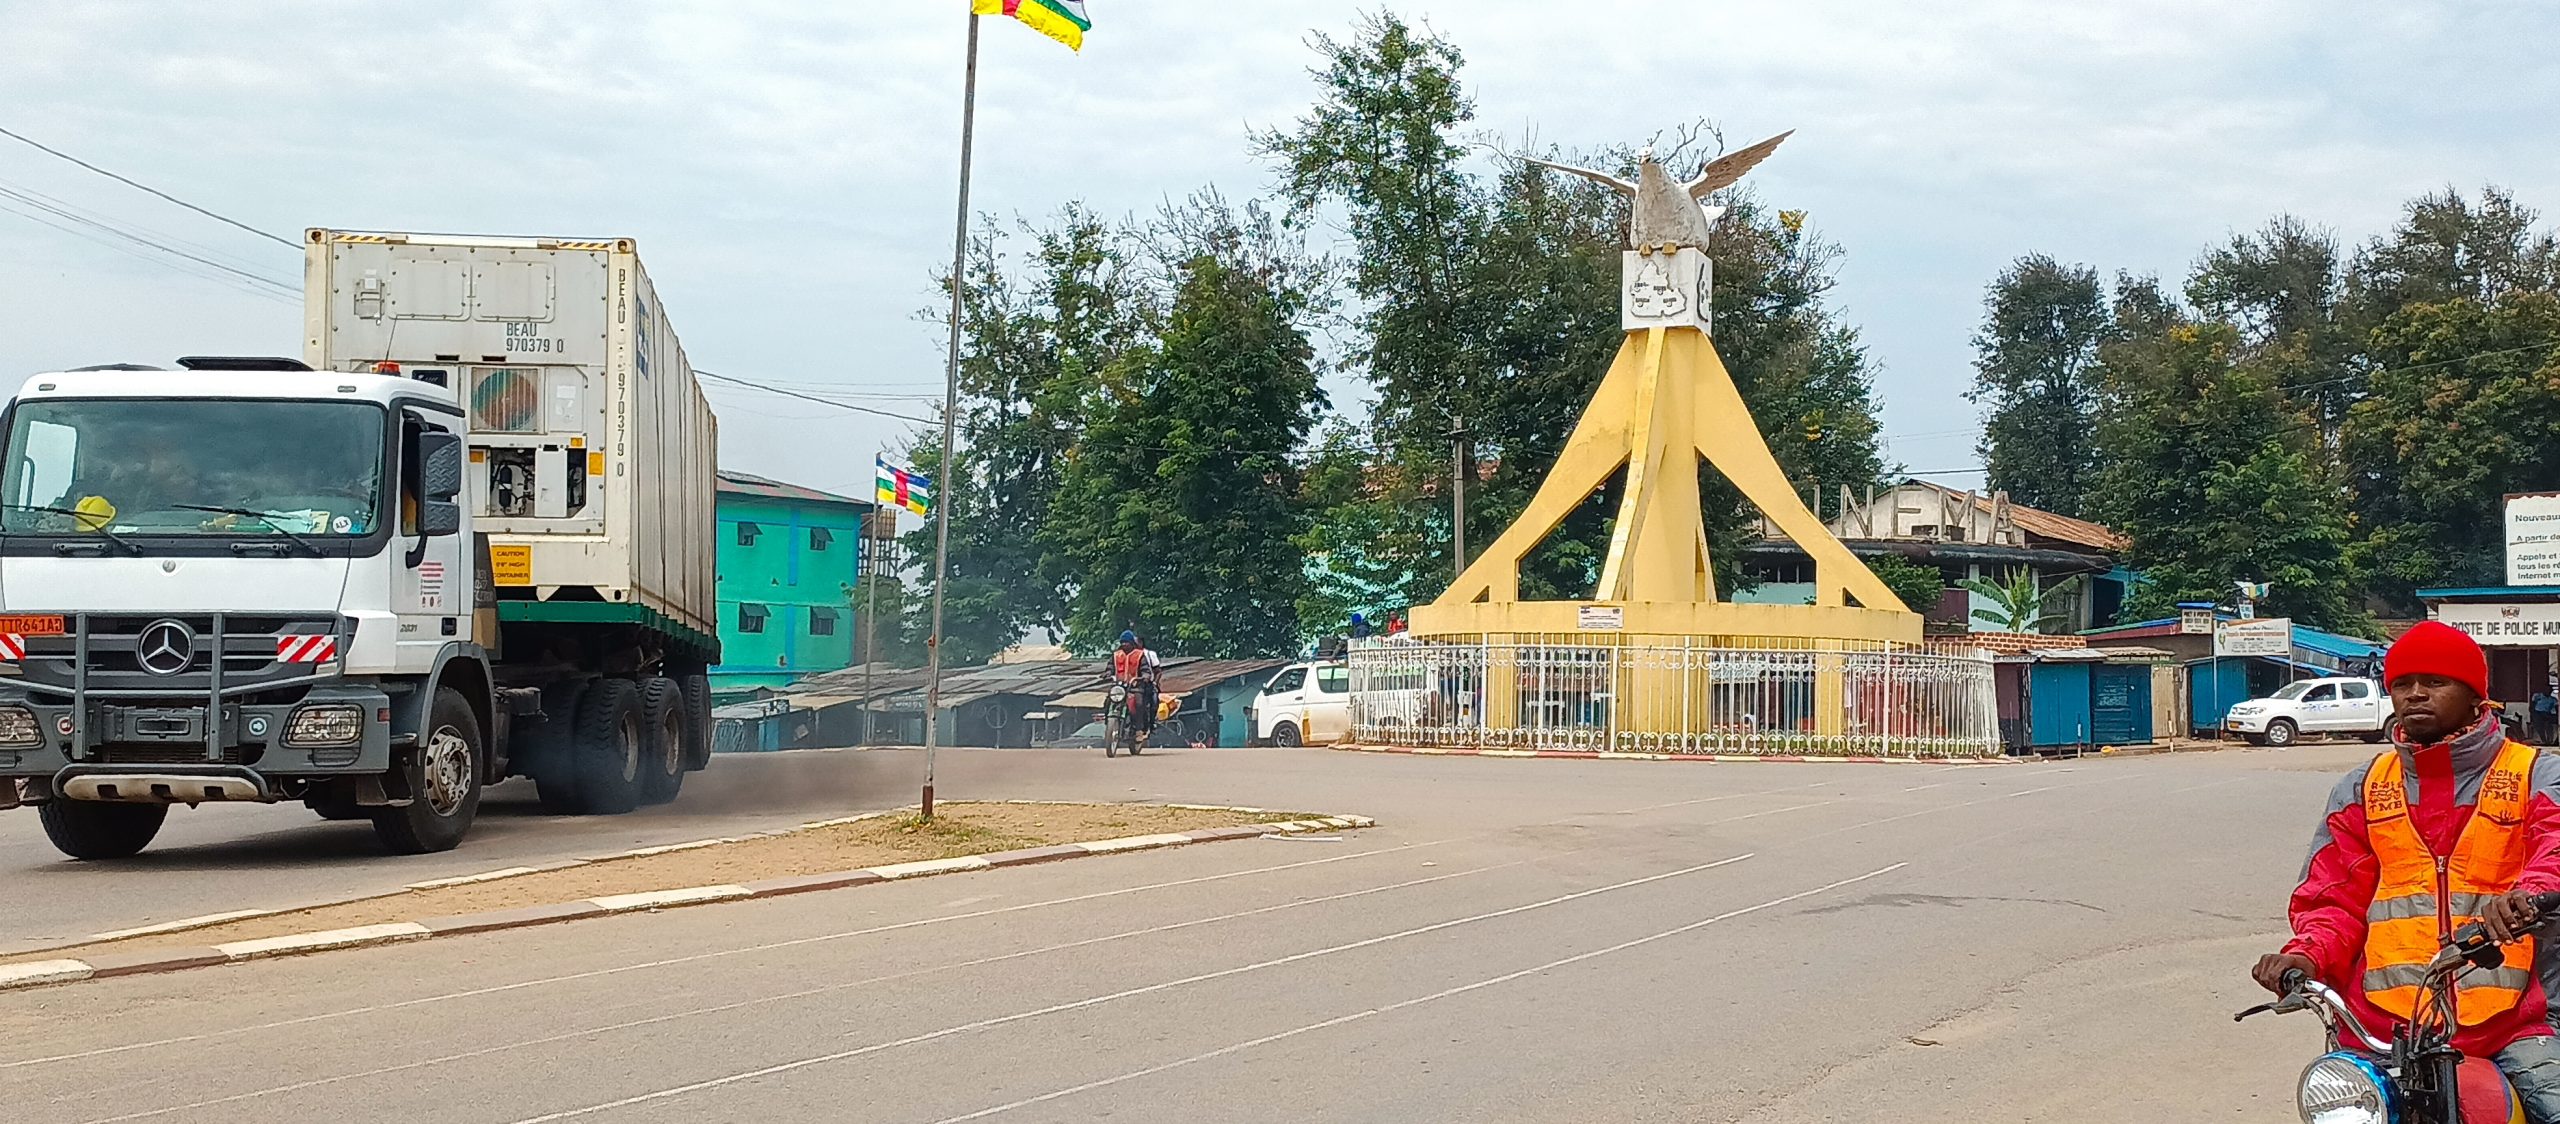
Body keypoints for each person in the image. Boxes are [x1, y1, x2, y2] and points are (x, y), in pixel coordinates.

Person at [2253, 621, 2560, 1120]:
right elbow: (2334, 900)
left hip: (2514, 1025)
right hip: (2385, 1031)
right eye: (2402, 683)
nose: (2415, 693)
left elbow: (2555, 848)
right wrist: (2307, 955)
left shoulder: (2536, 775)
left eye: (2436, 681)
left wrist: (2531, 895)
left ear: (2476, 697)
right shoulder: (2362, 788)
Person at [1111, 630, 1161, 744]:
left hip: (1136, 686)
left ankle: (1140, 729)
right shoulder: (1116, 655)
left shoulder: (1141, 655)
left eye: (1126, 642)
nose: (1124, 644)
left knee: (1139, 703)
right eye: (1122, 642)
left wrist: (1146, 677)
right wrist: (1108, 673)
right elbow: (1111, 666)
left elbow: (1147, 670)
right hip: (1120, 686)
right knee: (1108, 700)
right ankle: (1109, 722)